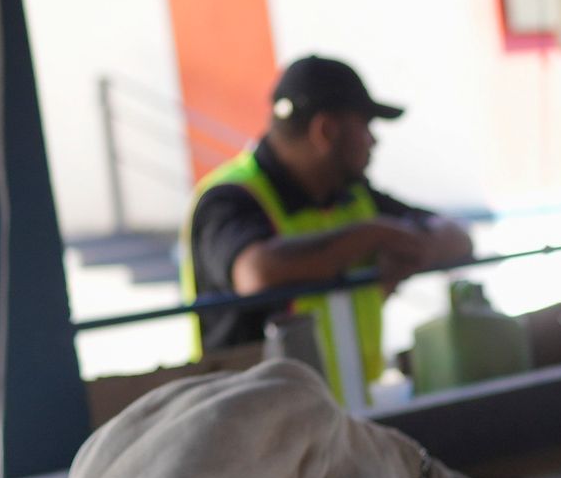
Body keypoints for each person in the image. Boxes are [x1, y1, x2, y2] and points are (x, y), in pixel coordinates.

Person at [181, 56, 475, 390]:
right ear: (326, 131)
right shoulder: (230, 199)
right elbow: (256, 272)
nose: (372, 142)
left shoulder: (351, 195)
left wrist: (415, 246)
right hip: (261, 427)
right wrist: (372, 237)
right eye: (365, 126)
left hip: (348, 414)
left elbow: (458, 237)